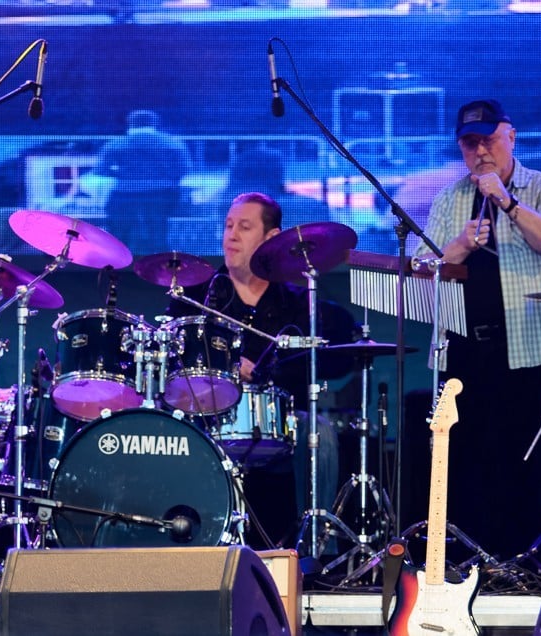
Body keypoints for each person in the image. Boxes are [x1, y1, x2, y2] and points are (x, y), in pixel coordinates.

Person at [414, 99, 541, 557]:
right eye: (470, 144)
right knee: (464, 458)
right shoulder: (450, 197)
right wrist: (459, 245)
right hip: (461, 347)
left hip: (524, 344)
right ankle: (468, 559)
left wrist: (508, 202)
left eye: (488, 140)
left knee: (519, 456)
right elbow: (424, 267)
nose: (480, 151)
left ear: (511, 137)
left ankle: (521, 560)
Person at [167, 191, 350, 549]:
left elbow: (331, 359)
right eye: (228, 226)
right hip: (205, 420)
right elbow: (174, 362)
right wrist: (224, 367)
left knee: (321, 431)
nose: (231, 235)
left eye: (244, 227)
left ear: (271, 237)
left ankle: (316, 551)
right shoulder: (194, 296)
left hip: (279, 422)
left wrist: (268, 372)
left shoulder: (299, 304)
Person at [95, 109, 193, 253]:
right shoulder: (173, 143)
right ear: (155, 124)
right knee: (158, 232)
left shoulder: (115, 144)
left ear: (130, 124)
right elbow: (184, 170)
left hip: (125, 195)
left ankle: (119, 258)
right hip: (162, 195)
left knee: (120, 232)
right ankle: (160, 261)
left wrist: (121, 173)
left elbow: (100, 171)